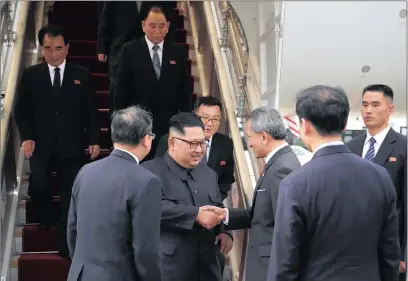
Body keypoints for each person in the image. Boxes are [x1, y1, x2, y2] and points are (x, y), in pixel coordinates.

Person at [267, 85, 400, 281]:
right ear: (344, 123)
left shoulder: (295, 184)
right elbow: (390, 254)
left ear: (305, 125)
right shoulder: (380, 176)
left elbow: (284, 263)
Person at [14, 24, 100, 259]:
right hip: (41, 145)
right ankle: (46, 216)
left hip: (72, 147)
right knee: (39, 186)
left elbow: (90, 111)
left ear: (68, 48)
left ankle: (66, 244)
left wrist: (94, 139)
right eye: (48, 48)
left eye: (59, 48)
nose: (54, 54)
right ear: (42, 49)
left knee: (69, 196)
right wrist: (27, 137)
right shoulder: (31, 75)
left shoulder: (81, 74)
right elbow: (21, 111)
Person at [203, 107, 300, 281]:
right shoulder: (278, 163)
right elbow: (262, 213)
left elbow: (288, 227)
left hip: (271, 269)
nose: (249, 144)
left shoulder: (282, 169)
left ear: (264, 136)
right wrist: (224, 215)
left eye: (249, 137)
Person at [67, 106, 162, 281]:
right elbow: (145, 250)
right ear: (146, 139)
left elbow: (72, 231)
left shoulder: (86, 171)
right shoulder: (147, 181)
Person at [142, 112, 233, 281]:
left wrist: (224, 231)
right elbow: (154, 208)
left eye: (202, 143)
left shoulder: (209, 174)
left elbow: (217, 206)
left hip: (208, 267)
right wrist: (196, 214)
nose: (199, 150)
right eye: (192, 144)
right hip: (170, 268)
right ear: (172, 143)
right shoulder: (149, 172)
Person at [346, 84, 407, 280]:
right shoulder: (351, 147)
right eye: (364, 105)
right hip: (351, 248)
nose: (368, 110)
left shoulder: (403, 147)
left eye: (375, 104)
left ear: (390, 109)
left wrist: (403, 253)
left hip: (389, 248)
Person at [114, 6, 191, 160]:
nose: (157, 30)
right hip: (138, 126)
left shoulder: (178, 52)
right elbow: (121, 91)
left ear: (168, 27)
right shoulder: (129, 51)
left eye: (162, 26)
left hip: (169, 127)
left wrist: (185, 125)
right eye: (152, 25)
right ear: (143, 26)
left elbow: (184, 92)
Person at [155, 96, 235, 200]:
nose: (209, 124)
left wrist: (215, 200)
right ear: (195, 116)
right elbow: (160, 172)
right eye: (205, 118)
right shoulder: (172, 140)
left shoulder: (226, 144)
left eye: (215, 119)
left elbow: (226, 179)